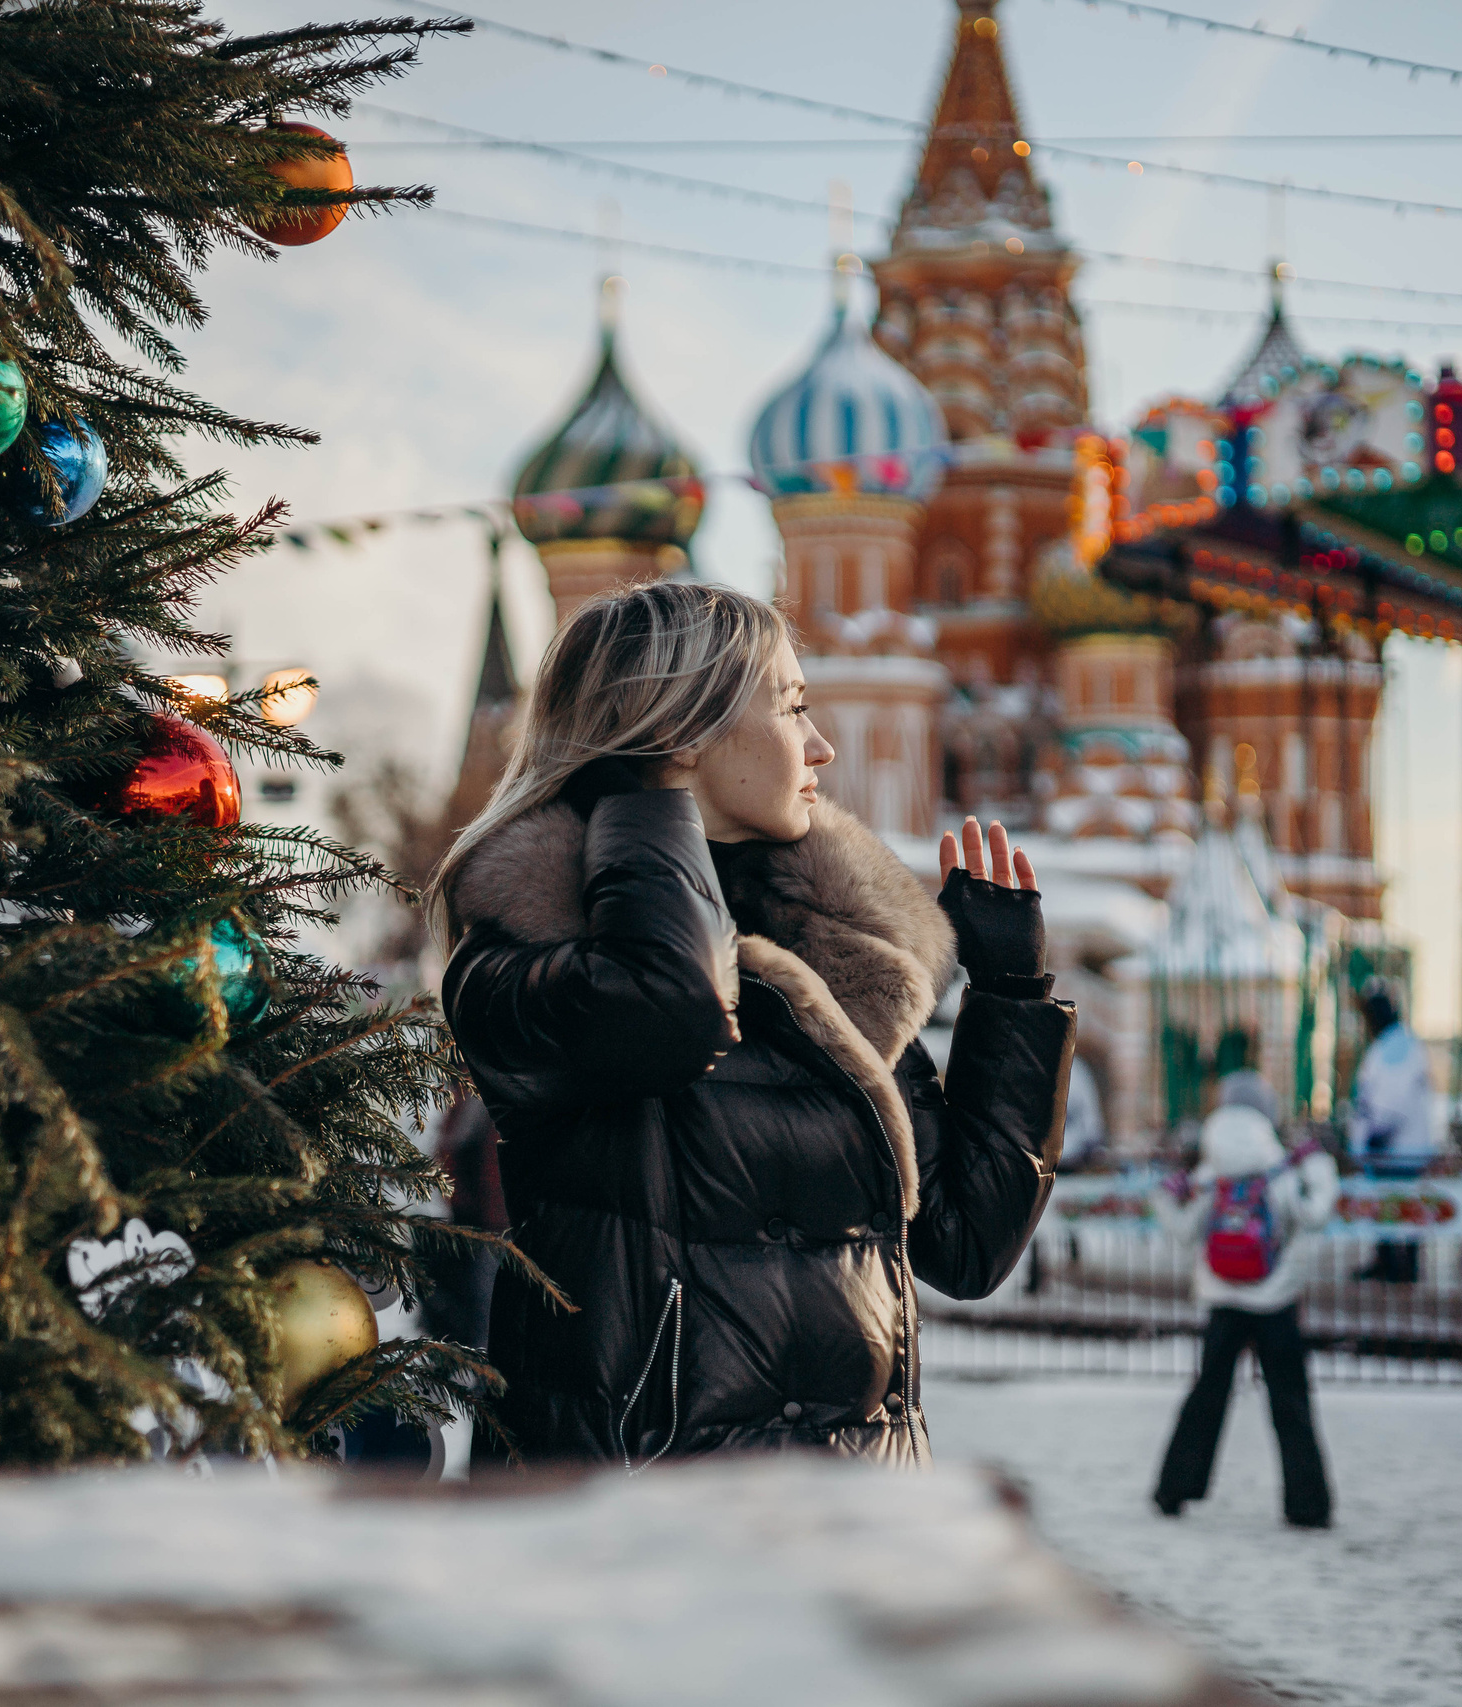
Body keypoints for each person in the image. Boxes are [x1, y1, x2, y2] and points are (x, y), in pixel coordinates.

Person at [430, 582, 1073, 1465]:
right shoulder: (525, 947)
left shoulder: (833, 954)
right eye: (791, 707)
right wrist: (645, 792)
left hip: (849, 1513)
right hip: (640, 1517)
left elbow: (966, 1241)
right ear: (681, 732)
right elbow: (671, 1011)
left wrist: (1011, 994)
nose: (822, 744)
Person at [1150, 1088, 1340, 1528]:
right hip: (1275, 1302)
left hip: (1222, 1302)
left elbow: (1182, 1229)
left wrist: (1165, 1195)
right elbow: (1314, 1215)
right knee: (1290, 1401)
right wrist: (1318, 1165)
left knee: (1207, 1395)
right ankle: (1307, 1503)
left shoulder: (1210, 1176)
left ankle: (1173, 1488)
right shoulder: (1280, 1172)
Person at [1347, 984, 1434, 1283]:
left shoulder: (1395, 1047)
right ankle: (1390, 1261)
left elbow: (1393, 1095)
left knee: (1397, 1201)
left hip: (1395, 1146)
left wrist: (1378, 1131)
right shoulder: (1400, 1043)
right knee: (1391, 1201)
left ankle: (1401, 1266)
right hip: (1402, 1144)